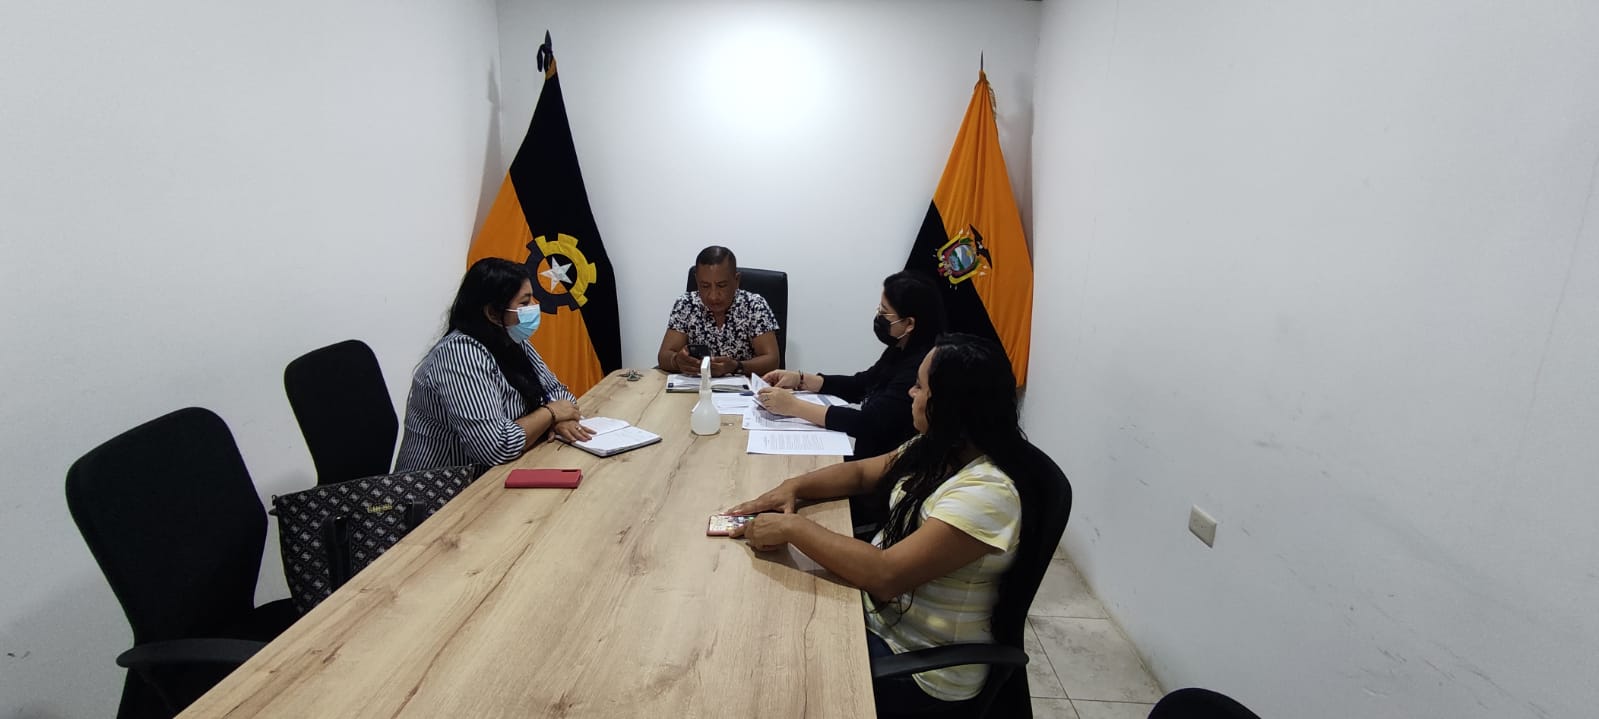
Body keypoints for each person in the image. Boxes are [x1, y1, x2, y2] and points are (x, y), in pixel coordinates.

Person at [725, 334, 1037, 714]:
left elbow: (886, 575)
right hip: (879, 618)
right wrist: (792, 487)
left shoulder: (986, 494)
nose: (910, 393)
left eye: (920, 387)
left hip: (919, 670)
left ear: (950, 403)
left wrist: (793, 528)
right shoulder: (938, 447)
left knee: (767, 671)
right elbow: (861, 474)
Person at [756, 271, 946, 529]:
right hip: (864, 465)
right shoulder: (901, 348)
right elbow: (863, 383)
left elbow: (868, 422)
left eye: (885, 312)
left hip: (879, 485)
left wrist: (794, 406)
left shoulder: (919, 367)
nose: (878, 316)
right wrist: (802, 379)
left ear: (909, 323)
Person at [395, 258, 592, 471]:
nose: (535, 308)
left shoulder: (511, 338)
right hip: (445, 486)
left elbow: (559, 394)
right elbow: (496, 446)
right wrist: (551, 414)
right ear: (492, 313)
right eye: (524, 303)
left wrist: (558, 418)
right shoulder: (460, 355)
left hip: (502, 470)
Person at [655, 245, 780, 378]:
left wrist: (737, 366)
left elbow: (772, 360)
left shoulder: (754, 305)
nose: (713, 296)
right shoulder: (686, 304)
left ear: (736, 280)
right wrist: (676, 361)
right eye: (705, 286)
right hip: (696, 386)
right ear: (697, 281)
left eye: (721, 285)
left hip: (741, 387)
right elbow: (664, 356)